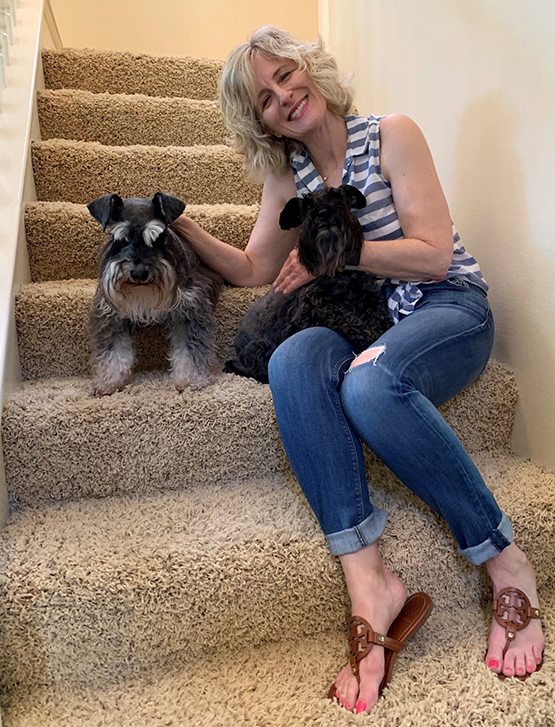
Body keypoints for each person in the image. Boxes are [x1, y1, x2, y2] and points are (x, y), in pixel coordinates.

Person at [172, 25, 545, 715]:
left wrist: (337, 256)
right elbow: (257, 268)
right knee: (291, 357)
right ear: (257, 120)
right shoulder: (289, 175)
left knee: (368, 384)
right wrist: (183, 227)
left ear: (308, 70)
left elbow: (433, 255)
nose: (284, 95)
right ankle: (368, 578)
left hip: (446, 309)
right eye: (264, 96)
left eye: (286, 75)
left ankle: (502, 557)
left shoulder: (390, 133)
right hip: (374, 324)